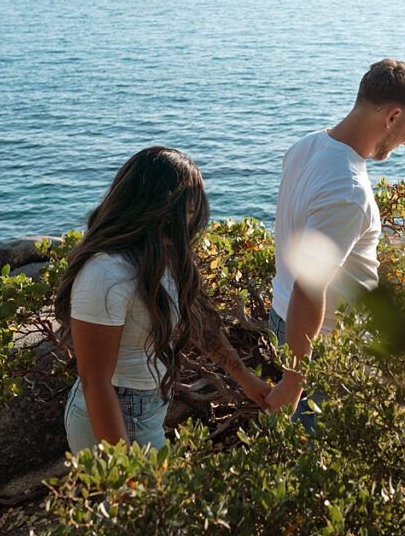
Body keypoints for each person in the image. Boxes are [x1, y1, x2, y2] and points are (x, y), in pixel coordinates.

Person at [56, 147, 271, 452]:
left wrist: (245, 379)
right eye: (186, 210)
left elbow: (202, 326)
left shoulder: (162, 253)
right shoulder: (106, 274)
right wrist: (125, 471)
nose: (190, 221)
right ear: (154, 208)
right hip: (112, 415)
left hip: (144, 409)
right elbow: (95, 381)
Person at [264, 59, 405, 420]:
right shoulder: (348, 189)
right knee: (320, 457)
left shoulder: (306, 146)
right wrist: (295, 382)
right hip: (318, 343)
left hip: (283, 317)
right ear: (392, 116)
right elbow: (309, 290)